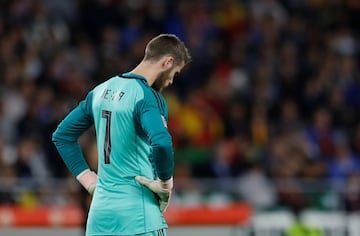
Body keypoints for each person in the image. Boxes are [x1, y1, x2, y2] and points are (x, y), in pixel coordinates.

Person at [52, 34, 191, 236]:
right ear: (167, 62)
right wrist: (165, 185)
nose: (170, 81)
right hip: (139, 217)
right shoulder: (147, 96)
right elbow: (162, 142)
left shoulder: (99, 91)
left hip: (100, 216)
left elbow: (62, 136)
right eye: (175, 73)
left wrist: (89, 181)